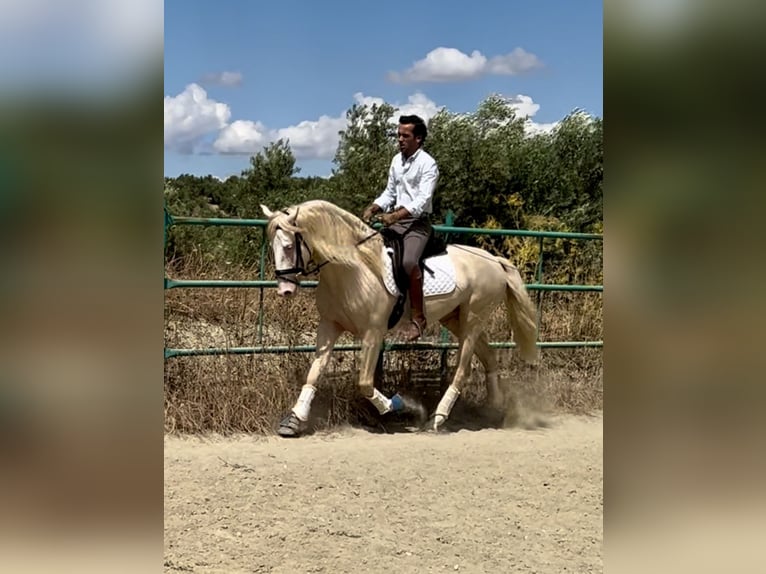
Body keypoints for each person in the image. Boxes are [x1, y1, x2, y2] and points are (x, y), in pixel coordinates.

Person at [362, 114, 439, 341]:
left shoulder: (428, 164)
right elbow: (390, 192)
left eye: (405, 136)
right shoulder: (397, 161)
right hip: (396, 222)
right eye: (398, 135)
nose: (400, 139)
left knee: (407, 262)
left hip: (416, 224)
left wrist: (396, 215)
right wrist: (374, 207)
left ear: (419, 139)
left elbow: (422, 200)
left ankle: (418, 318)